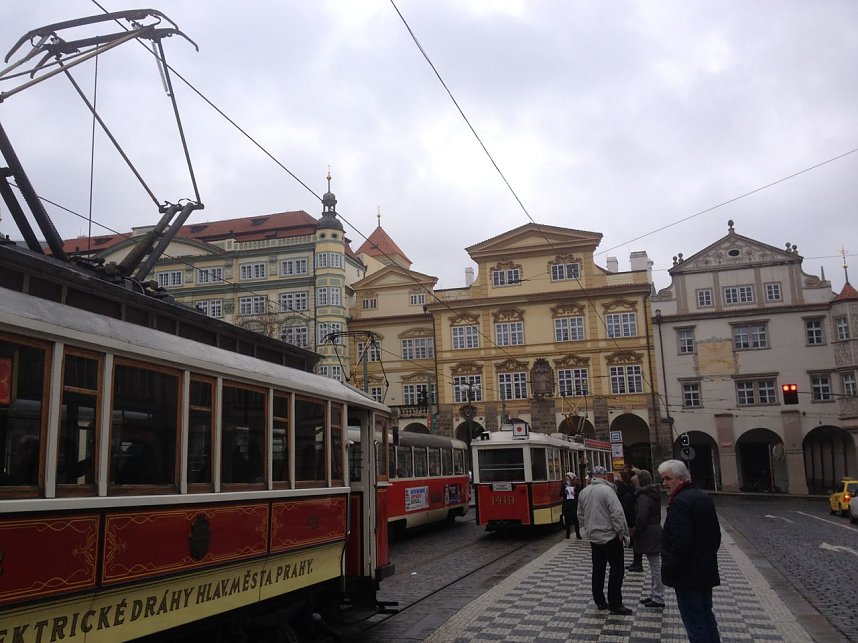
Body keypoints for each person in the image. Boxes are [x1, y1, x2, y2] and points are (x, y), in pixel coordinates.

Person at [658, 459, 722, 642]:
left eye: (667, 479)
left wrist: (669, 567)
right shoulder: (703, 497)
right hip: (705, 571)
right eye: (663, 479)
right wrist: (705, 558)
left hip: (687, 575)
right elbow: (715, 537)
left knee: (695, 624)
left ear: (681, 479)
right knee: (706, 617)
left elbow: (681, 544)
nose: (664, 484)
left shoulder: (680, 502)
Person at [577, 465, 632, 615]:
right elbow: (617, 513)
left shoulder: (584, 491)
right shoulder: (608, 491)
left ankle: (600, 601)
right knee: (617, 569)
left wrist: (588, 529)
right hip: (610, 536)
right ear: (605, 477)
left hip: (594, 537)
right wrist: (622, 533)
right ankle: (615, 603)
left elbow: (580, 515)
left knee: (598, 569)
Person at [632, 469, 664, 608]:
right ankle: (654, 594)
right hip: (654, 530)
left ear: (640, 481)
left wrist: (636, 531)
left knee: (655, 566)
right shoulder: (652, 494)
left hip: (649, 533)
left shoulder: (644, 497)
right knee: (654, 566)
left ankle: (658, 597)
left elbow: (642, 517)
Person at [615, 468, 641, 572]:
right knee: (635, 543)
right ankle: (637, 562)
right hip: (632, 520)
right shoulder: (631, 492)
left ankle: (637, 563)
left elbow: (627, 509)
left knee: (635, 542)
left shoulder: (627, 494)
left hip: (631, 521)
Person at [560, 472, 581, 539]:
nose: (566, 478)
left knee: (575, 520)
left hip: (574, 504)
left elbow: (579, 493)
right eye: (566, 477)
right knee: (567, 520)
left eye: (568, 477)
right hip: (566, 504)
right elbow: (560, 493)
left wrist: (575, 493)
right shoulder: (564, 485)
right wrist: (564, 493)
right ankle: (567, 534)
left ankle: (578, 534)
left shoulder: (576, 485)